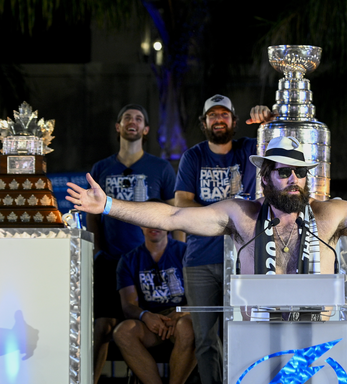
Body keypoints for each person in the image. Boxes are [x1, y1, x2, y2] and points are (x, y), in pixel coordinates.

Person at [67, 131, 347, 286]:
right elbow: (171, 216)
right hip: (254, 336)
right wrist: (108, 206)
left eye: (299, 173)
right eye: (284, 173)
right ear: (266, 178)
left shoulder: (332, 214)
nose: (293, 180)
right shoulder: (240, 215)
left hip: (320, 335)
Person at [172, 95, 260, 384]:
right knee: (205, 339)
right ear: (204, 122)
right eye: (212, 115)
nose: (218, 120)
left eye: (224, 115)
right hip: (200, 260)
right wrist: (227, 216)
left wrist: (269, 120)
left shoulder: (249, 149)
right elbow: (183, 203)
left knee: (245, 333)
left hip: (244, 259)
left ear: (234, 121)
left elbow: (276, 144)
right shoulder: (193, 156)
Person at [88, 103, 177, 384]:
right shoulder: (102, 168)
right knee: (102, 326)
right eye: (126, 117)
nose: (133, 122)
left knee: (149, 322)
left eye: (139, 118)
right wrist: (100, 250)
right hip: (112, 260)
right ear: (118, 127)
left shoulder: (160, 168)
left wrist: (178, 253)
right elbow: (93, 217)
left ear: (146, 129)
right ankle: (89, 379)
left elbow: (176, 215)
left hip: (147, 261)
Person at [114, 207, 196, 384]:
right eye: (148, 220)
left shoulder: (186, 252)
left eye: (158, 220)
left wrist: (183, 312)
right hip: (150, 323)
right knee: (122, 332)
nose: (154, 225)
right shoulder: (128, 260)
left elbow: (202, 296)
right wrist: (146, 316)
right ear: (140, 226)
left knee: (189, 327)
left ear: (168, 224)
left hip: (180, 318)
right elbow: (128, 306)